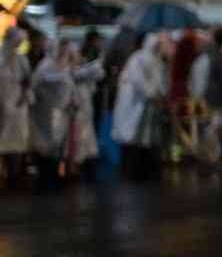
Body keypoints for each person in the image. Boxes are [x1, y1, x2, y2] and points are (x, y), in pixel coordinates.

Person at [30, 40, 106, 179]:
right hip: (52, 113)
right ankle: (56, 173)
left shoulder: (63, 67)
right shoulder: (48, 66)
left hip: (65, 112)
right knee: (55, 144)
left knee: (68, 143)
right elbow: (46, 85)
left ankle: (67, 171)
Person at [111, 33, 169, 181]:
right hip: (135, 105)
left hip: (147, 106)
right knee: (132, 139)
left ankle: (143, 171)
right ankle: (131, 172)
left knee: (145, 139)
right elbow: (138, 80)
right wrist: (152, 93)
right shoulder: (138, 58)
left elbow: (161, 82)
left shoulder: (156, 60)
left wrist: (160, 94)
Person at [189, 27, 222, 163]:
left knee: (209, 131)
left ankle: (208, 158)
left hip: (206, 100)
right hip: (217, 102)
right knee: (214, 132)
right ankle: (211, 160)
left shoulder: (206, 56)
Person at [1, 27, 33, 183]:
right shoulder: (2, 58)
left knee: (17, 140)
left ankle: (14, 174)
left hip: (18, 106)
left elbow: (27, 81)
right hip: (3, 104)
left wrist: (23, 96)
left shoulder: (22, 60)